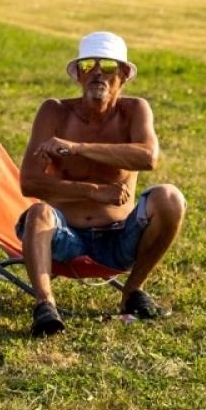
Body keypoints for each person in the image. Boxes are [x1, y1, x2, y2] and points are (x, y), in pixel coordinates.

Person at [18, 31, 186, 337]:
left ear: (123, 74)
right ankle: (45, 306)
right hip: (64, 238)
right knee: (38, 213)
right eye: (88, 66)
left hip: (119, 239)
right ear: (78, 76)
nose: (97, 72)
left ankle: (133, 291)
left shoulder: (135, 110)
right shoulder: (54, 111)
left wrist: (77, 148)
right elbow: (29, 183)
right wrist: (93, 191)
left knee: (171, 198)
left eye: (107, 65)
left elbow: (149, 158)